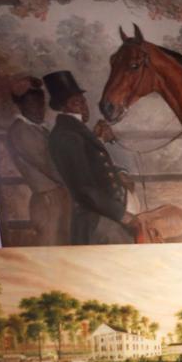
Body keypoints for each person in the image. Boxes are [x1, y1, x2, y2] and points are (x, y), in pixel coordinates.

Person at [43, 70, 139, 244]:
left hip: (105, 213)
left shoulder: (75, 130)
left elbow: (95, 166)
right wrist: (122, 215)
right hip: (96, 221)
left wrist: (118, 173)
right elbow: (85, 188)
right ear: (63, 107)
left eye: (83, 101)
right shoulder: (66, 135)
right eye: (76, 103)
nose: (84, 106)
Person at [6, 75, 72, 245]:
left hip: (58, 197)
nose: (38, 109)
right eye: (31, 104)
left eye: (40, 103)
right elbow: (48, 165)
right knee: (52, 248)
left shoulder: (39, 129)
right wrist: (76, 184)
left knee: (65, 246)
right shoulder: (21, 131)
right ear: (20, 106)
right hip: (48, 201)